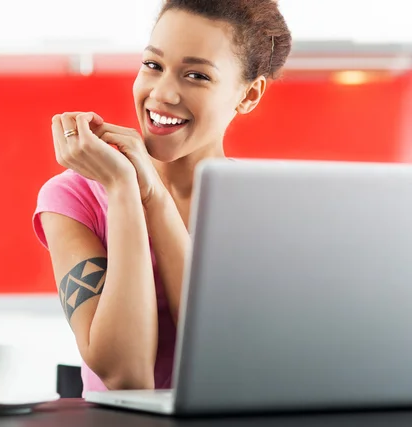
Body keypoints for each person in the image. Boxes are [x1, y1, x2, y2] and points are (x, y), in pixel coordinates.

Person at [32, 0, 292, 394]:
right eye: (153, 65)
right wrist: (123, 191)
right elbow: (126, 377)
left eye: (196, 75)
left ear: (248, 95)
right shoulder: (73, 197)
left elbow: (224, 362)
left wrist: (152, 196)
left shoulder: (267, 204)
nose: (163, 93)